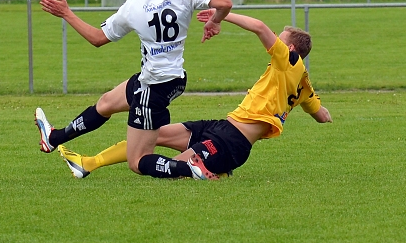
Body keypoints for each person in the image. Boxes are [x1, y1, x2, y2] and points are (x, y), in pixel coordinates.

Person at [56, 11, 332, 180]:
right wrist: (327, 116)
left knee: (176, 168)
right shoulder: (303, 83)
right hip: (222, 127)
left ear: (291, 48)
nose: (274, 40)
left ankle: (210, 171)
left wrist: (220, 15)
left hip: (232, 143)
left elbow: (259, 26)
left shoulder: (289, 61)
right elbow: (321, 115)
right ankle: (88, 163)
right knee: (151, 135)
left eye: (280, 38)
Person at [34, 0, 234, 178]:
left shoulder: (134, 4)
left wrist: (67, 14)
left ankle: (189, 168)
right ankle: (54, 138)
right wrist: (214, 21)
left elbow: (97, 38)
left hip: (155, 85)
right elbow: (225, 3)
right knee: (106, 103)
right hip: (173, 78)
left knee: (137, 160)